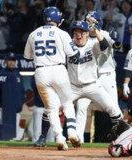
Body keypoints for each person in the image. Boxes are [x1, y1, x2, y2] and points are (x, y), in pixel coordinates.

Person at [23, 7, 79, 151]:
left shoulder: (34, 34)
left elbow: (27, 57)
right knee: (67, 103)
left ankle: (60, 138)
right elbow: (74, 55)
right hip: (58, 69)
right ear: (57, 19)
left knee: (51, 109)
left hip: (41, 72)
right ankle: (72, 133)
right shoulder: (62, 33)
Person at [65, 20, 123, 146]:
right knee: (68, 107)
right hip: (76, 85)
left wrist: (96, 30)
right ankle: (76, 137)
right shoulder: (70, 42)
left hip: (97, 81)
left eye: (82, 32)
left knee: (113, 108)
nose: (79, 35)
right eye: (76, 32)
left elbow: (108, 44)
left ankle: (123, 138)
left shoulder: (97, 40)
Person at [0, 52, 25, 141]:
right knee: (3, 132)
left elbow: (21, 91)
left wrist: (20, 105)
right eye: (10, 60)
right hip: (3, 109)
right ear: (5, 61)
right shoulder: (0, 73)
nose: (12, 62)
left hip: (16, 109)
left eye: (13, 61)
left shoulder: (18, 74)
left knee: (14, 136)